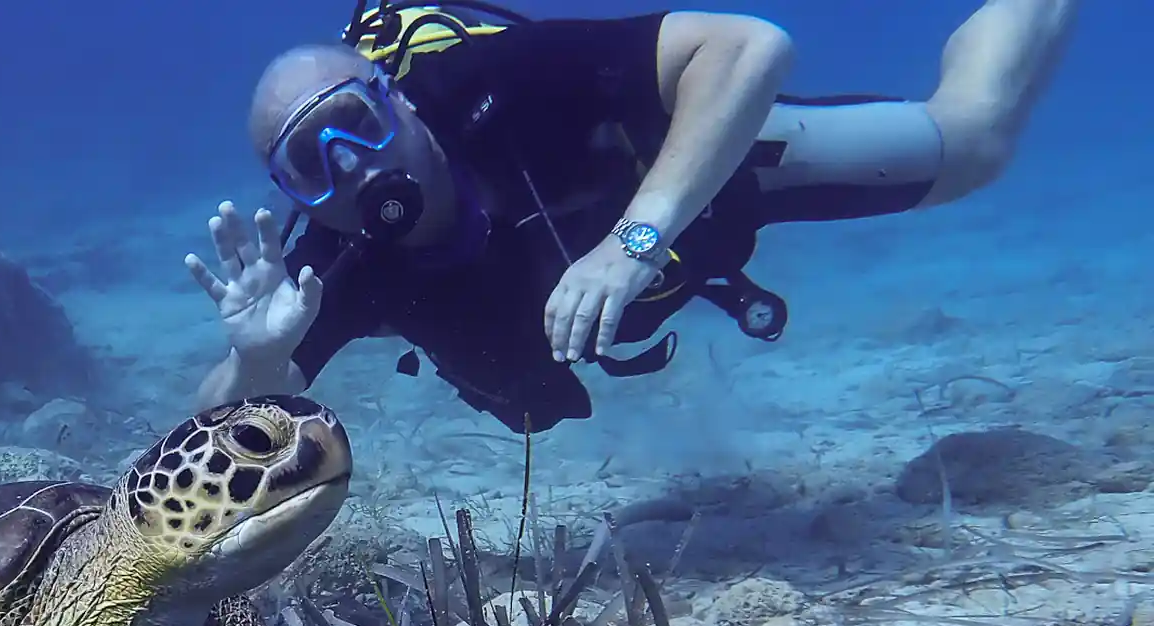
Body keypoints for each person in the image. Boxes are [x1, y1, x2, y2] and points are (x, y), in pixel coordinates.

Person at [185, 2, 1079, 435]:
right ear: (293, 192)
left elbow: (750, 46)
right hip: (638, 241)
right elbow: (211, 434)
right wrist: (258, 359)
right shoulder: (333, 268)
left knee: (974, 141)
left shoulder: (507, 84)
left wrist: (633, 242)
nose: (353, 165)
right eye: (311, 162)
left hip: (698, 184)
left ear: (405, 105)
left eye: (360, 123)